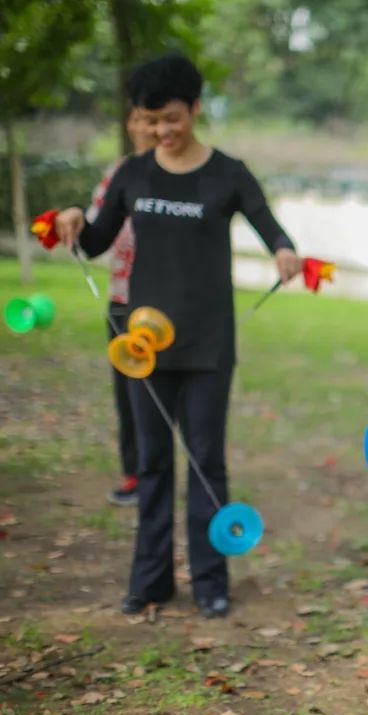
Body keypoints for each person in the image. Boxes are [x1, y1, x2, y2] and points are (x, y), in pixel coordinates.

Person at [54, 52, 302, 619]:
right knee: (152, 461)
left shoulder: (228, 173)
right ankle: (151, 579)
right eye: (148, 120)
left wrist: (285, 252)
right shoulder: (131, 173)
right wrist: (72, 221)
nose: (160, 131)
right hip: (141, 345)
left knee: (207, 462)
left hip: (210, 345)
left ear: (194, 108)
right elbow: (93, 243)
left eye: (170, 118)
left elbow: (270, 227)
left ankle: (211, 580)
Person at [86, 106, 158, 507]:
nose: (144, 129)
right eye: (138, 120)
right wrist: (75, 223)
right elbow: (97, 230)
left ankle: (160, 471)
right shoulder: (119, 172)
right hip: (122, 301)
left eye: (153, 120)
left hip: (166, 307)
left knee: (165, 396)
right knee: (127, 395)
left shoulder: (180, 175)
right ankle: (134, 474)